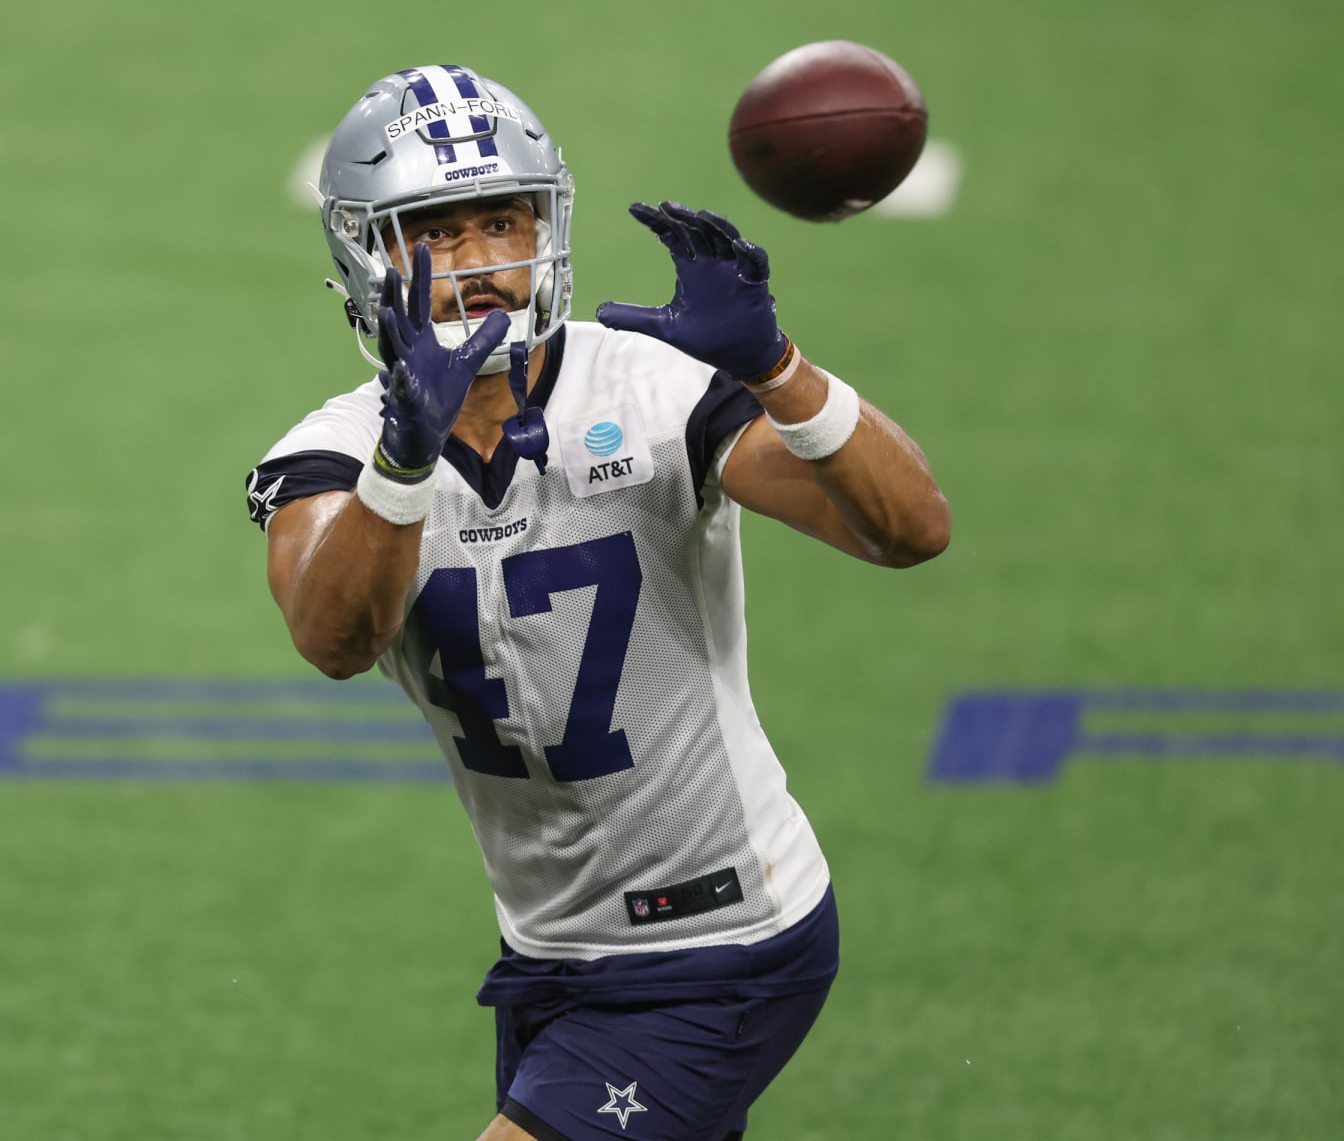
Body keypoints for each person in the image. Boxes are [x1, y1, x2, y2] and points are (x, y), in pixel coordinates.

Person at [244, 64, 950, 1141]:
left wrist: (781, 368)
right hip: (551, 949)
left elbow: (910, 531)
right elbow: (336, 637)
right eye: (440, 232)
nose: (482, 266)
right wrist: (402, 461)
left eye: (503, 221)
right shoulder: (334, 454)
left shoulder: (653, 391)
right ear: (369, 253)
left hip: (720, 944)